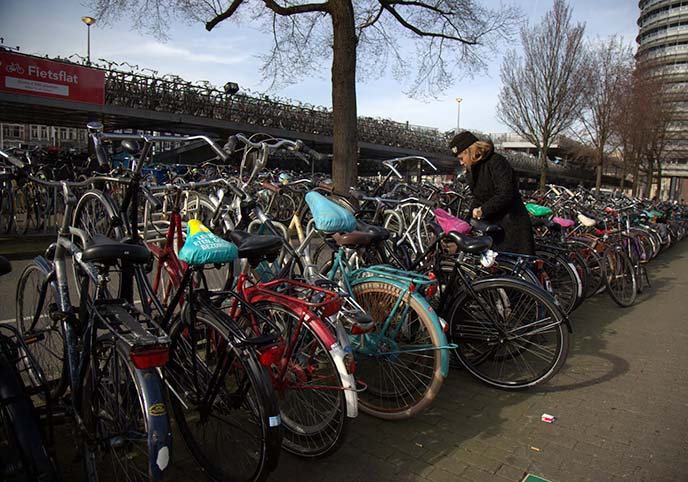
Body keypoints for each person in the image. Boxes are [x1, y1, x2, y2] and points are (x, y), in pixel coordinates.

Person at [450, 131, 535, 255]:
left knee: (515, 269)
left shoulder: (497, 162)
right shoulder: (473, 170)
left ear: (470, 151)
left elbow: (506, 192)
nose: (461, 163)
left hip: (512, 224)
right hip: (495, 228)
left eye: (461, 158)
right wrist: (466, 223)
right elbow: (478, 197)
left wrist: (484, 209)